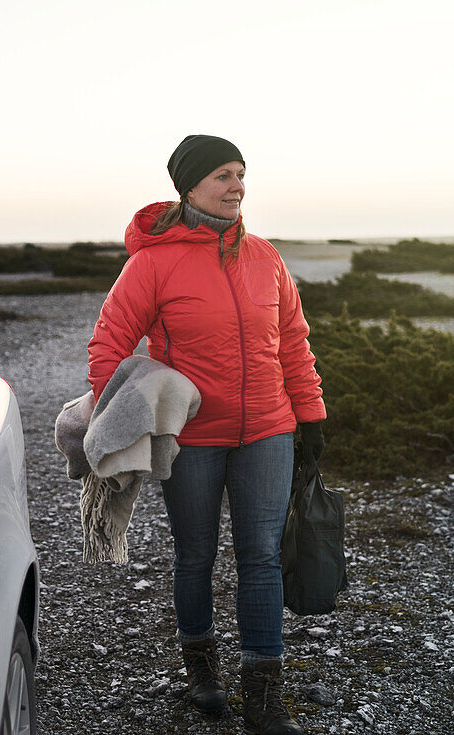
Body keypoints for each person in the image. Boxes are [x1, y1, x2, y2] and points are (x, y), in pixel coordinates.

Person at [86, 135, 326, 734]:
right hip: (190, 438)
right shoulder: (154, 261)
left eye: (241, 174)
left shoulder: (266, 258)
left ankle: (264, 698)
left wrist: (311, 412)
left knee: (262, 558)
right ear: (189, 186)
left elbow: (292, 340)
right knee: (195, 556)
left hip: (268, 429)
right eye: (223, 175)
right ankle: (202, 672)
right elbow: (109, 343)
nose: (236, 186)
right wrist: (114, 417)